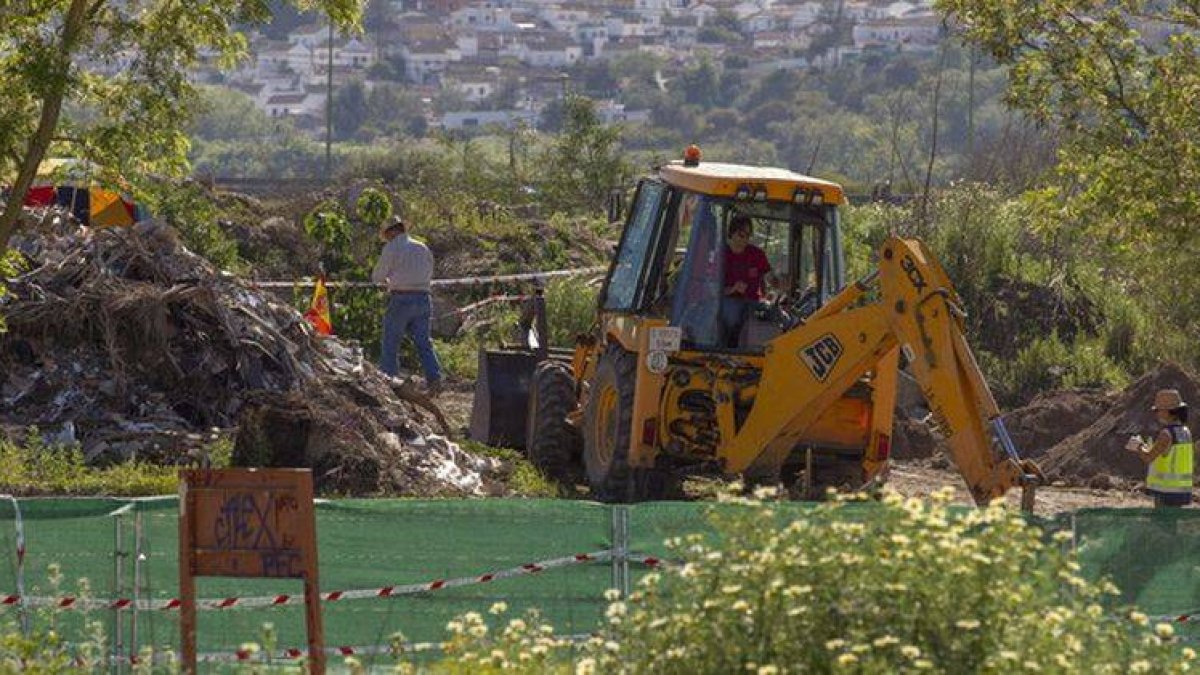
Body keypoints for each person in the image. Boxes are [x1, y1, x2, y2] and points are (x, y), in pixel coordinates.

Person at [372, 216, 443, 395]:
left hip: (401, 298)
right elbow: (429, 271)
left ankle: (388, 381)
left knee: (391, 342)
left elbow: (378, 276)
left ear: (391, 232)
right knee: (423, 342)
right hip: (423, 298)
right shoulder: (422, 247)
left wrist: (387, 281)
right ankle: (435, 379)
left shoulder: (392, 247)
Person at [1126, 388, 1193, 507]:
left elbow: (1148, 457)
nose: (1156, 413)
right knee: (1172, 524)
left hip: (1166, 492)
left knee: (1162, 524)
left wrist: (1138, 446)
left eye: (1158, 410)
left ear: (1167, 411)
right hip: (1181, 491)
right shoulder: (1185, 432)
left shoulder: (1166, 434)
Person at [719, 214, 772, 348]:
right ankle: (729, 348)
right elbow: (710, 288)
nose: (745, 239)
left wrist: (779, 282)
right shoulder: (720, 254)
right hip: (727, 299)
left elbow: (770, 277)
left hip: (753, 301)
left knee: (773, 318)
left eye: (748, 236)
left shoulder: (757, 254)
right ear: (732, 233)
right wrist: (732, 289)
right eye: (742, 235)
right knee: (732, 316)